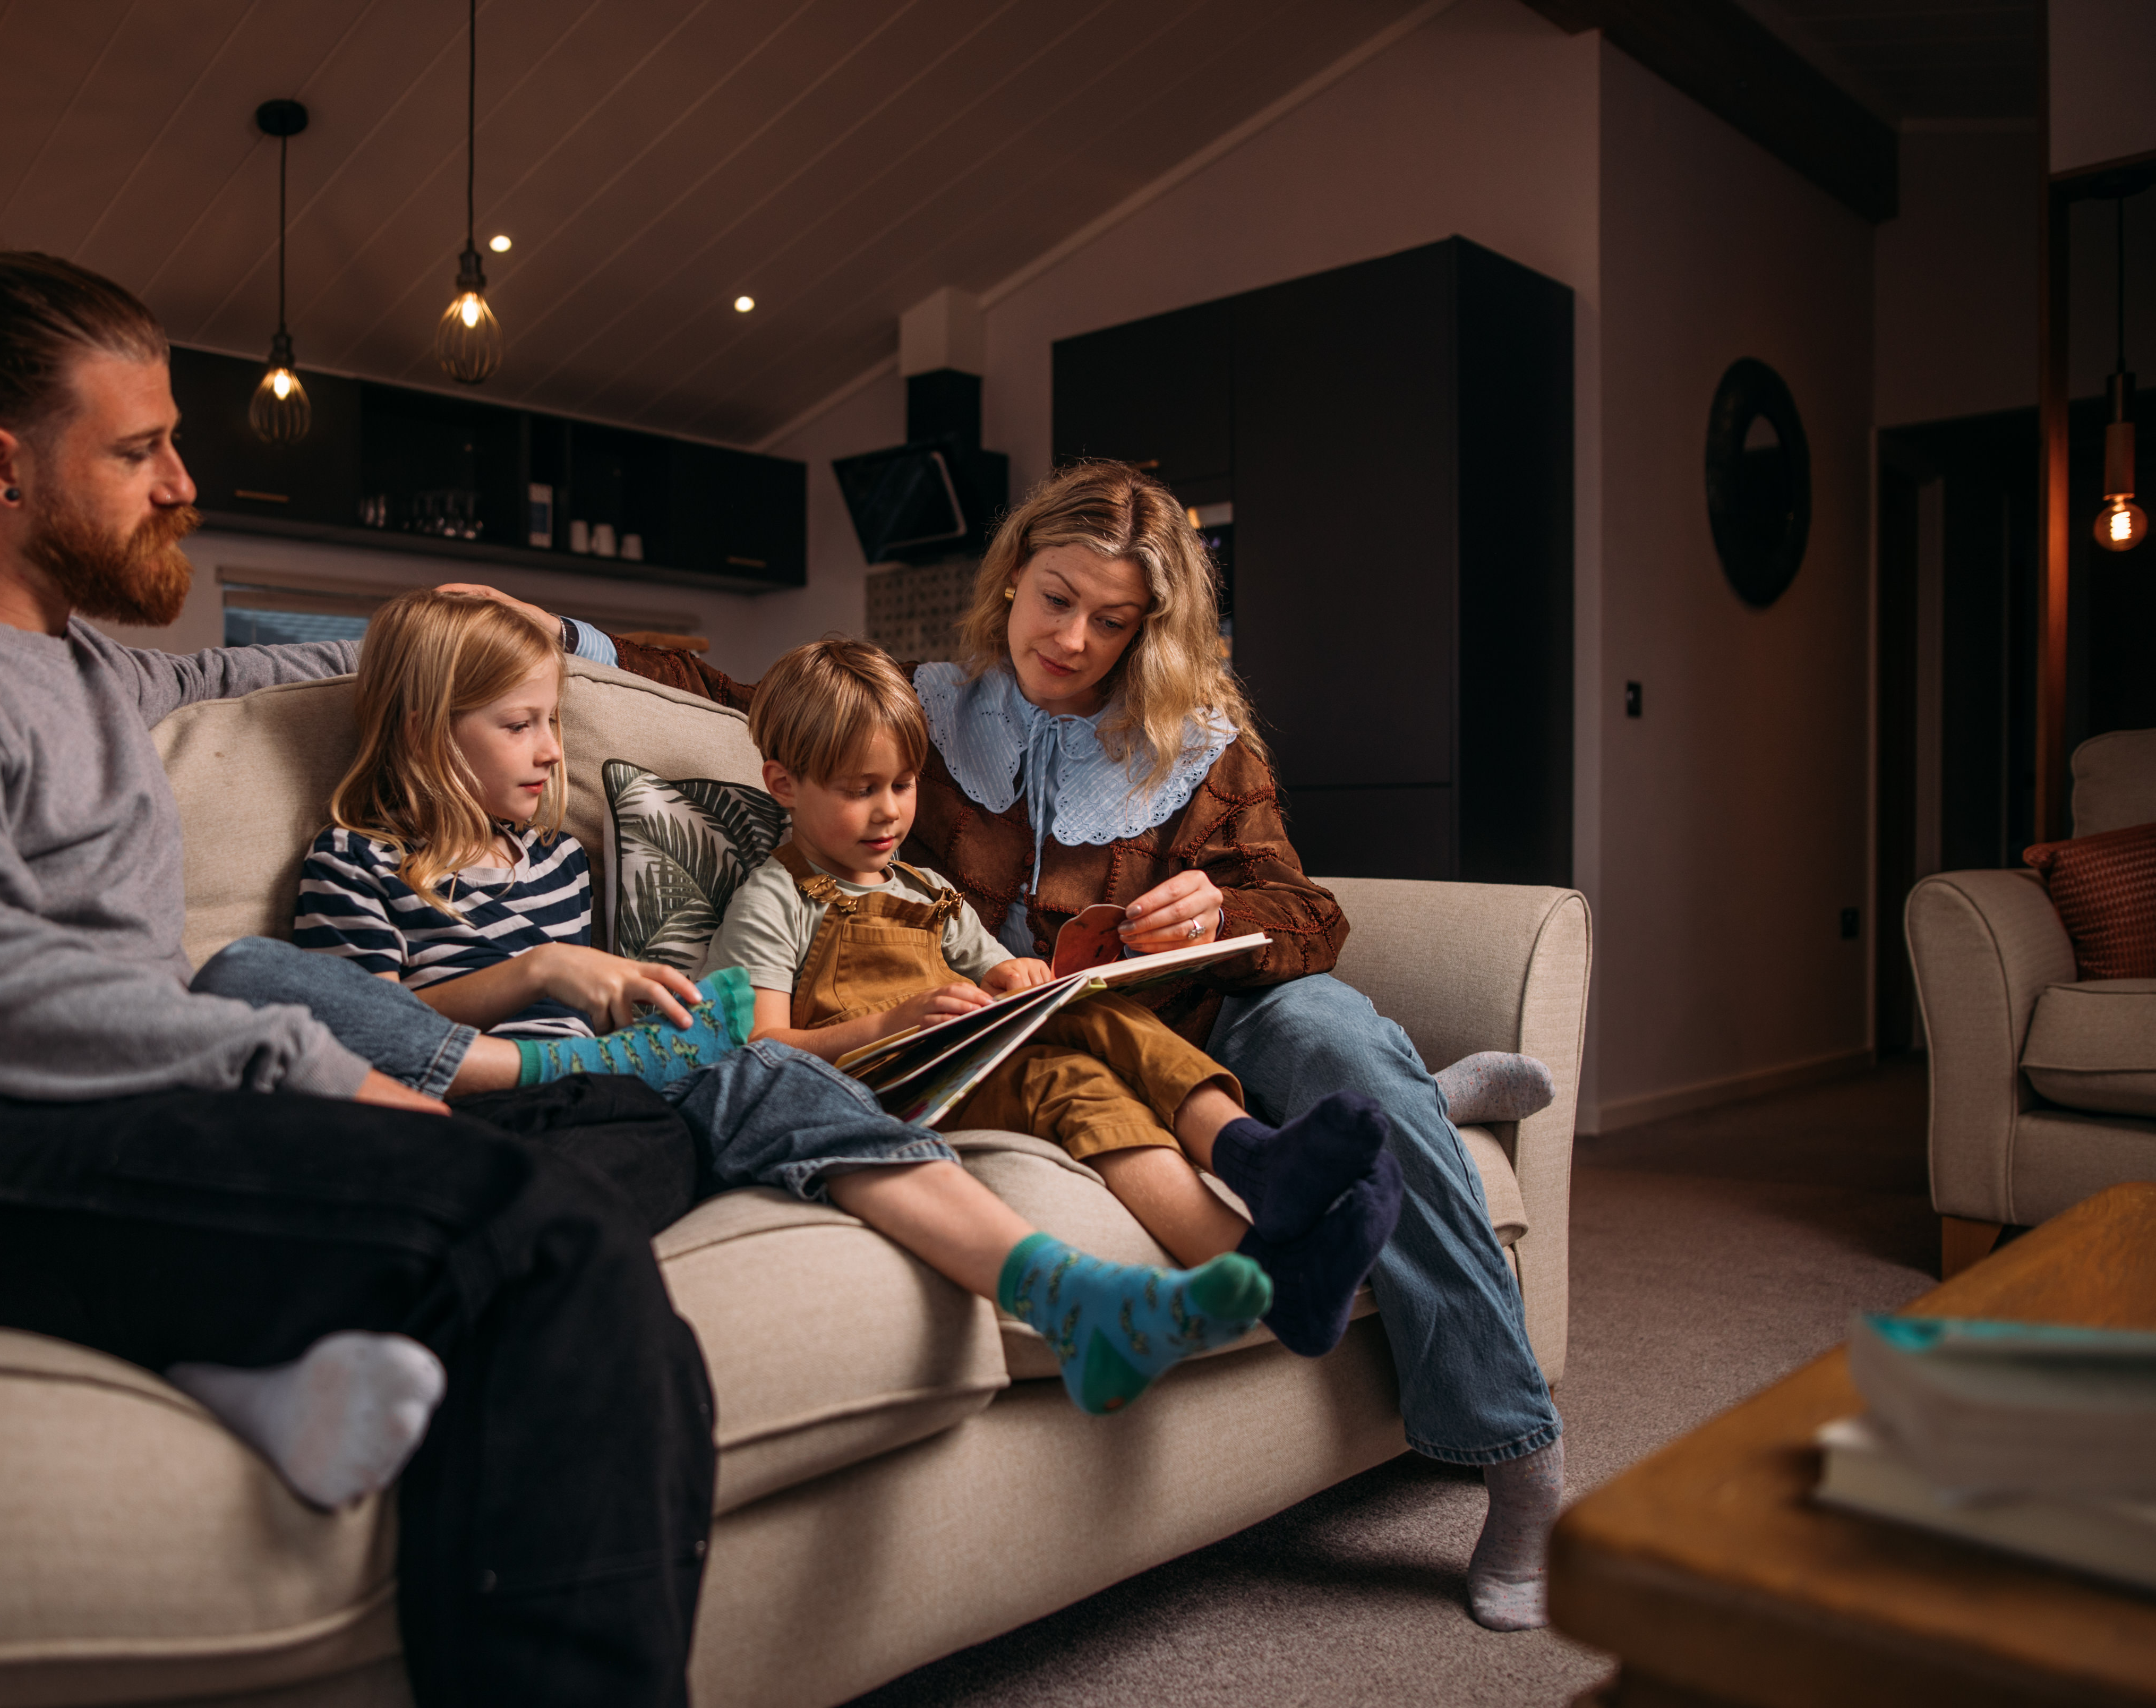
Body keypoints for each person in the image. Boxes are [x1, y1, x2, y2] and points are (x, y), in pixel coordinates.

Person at [0, 249, 713, 1708]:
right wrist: (298, 1063)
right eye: (139, 448)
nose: (183, 479)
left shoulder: (83, 659)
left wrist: (547, 644)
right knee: (552, 1245)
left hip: (105, 1125)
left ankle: (312, 1326)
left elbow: (282, 663)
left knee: (640, 1119)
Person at [482, 460, 1567, 1633]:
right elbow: (736, 693)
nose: (1075, 638)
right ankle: (1428, 1101)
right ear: (1011, 578)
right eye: (1057, 598)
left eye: (1114, 619)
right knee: (1364, 1089)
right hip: (1009, 1030)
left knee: (1337, 1034)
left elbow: (1307, 914)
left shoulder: (1202, 743)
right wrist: (562, 630)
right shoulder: (930, 714)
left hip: (1205, 1017)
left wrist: (1214, 910)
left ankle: (1514, 1460)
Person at [191, 585, 1323, 1419]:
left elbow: (644, 1011)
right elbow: (370, 1024)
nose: (552, 749)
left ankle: (1069, 1297)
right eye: (521, 724)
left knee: (763, 1069)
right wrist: (539, 979)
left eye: (552, 719)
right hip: (478, 1101)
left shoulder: (549, 863)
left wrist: (671, 1007)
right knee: (296, 991)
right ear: (427, 732)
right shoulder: (356, 861)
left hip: (610, 1084)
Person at [706, 636, 1402, 1362]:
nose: (889, 813)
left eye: (903, 784)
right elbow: (759, 1050)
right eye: (860, 790)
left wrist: (1020, 979)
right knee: (1060, 1080)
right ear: (783, 784)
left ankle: (1252, 1162)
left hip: (969, 1056)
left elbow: (1000, 969)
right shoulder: (775, 898)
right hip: (890, 1086)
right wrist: (895, 1021)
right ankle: (1272, 1264)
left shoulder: (927, 890)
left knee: (1093, 1009)